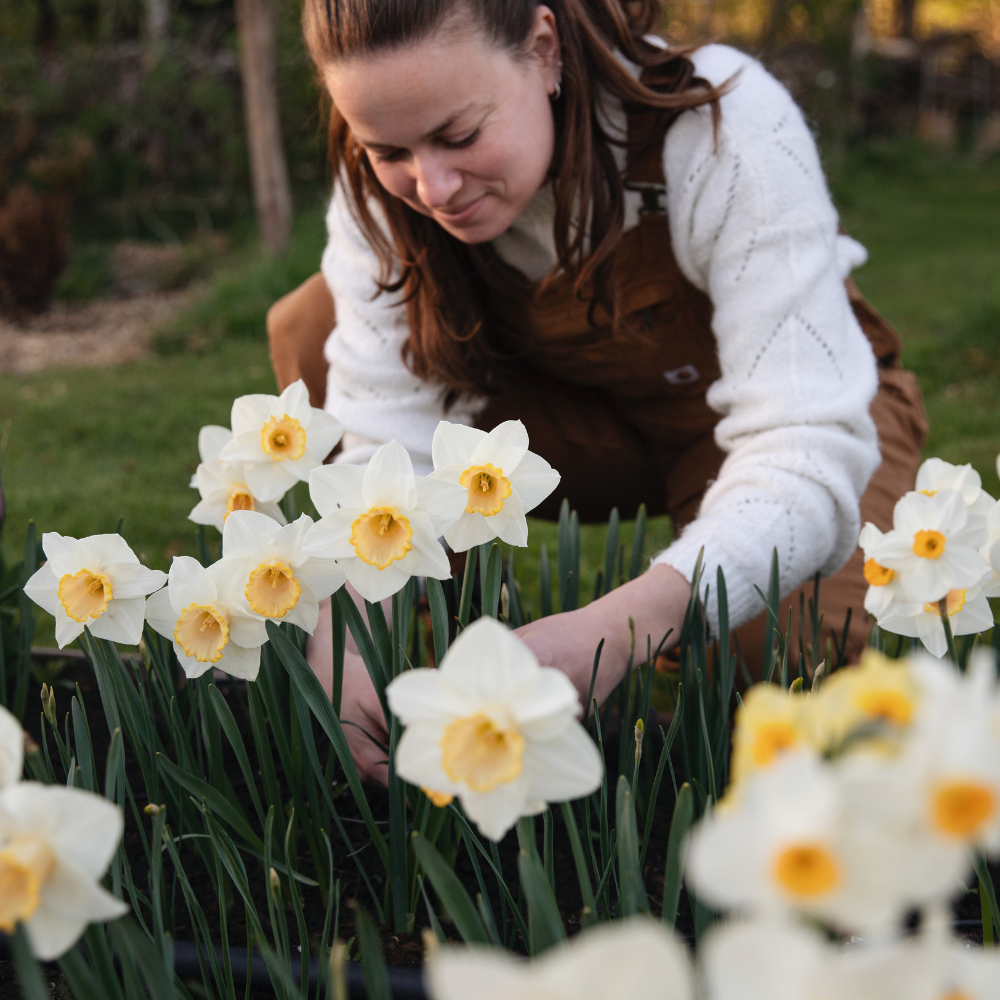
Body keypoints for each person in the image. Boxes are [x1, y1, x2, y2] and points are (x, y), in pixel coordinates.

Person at [268, 0, 928, 782]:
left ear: (544, 50)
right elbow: (383, 438)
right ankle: (450, 629)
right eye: (389, 149)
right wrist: (349, 633)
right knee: (311, 325)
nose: (434, 186)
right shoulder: (381, 188)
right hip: (582, 423)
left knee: (779, 664)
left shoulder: (721, 123)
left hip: (784, 424)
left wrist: (627, 624)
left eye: (460, 135)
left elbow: (803, 445)